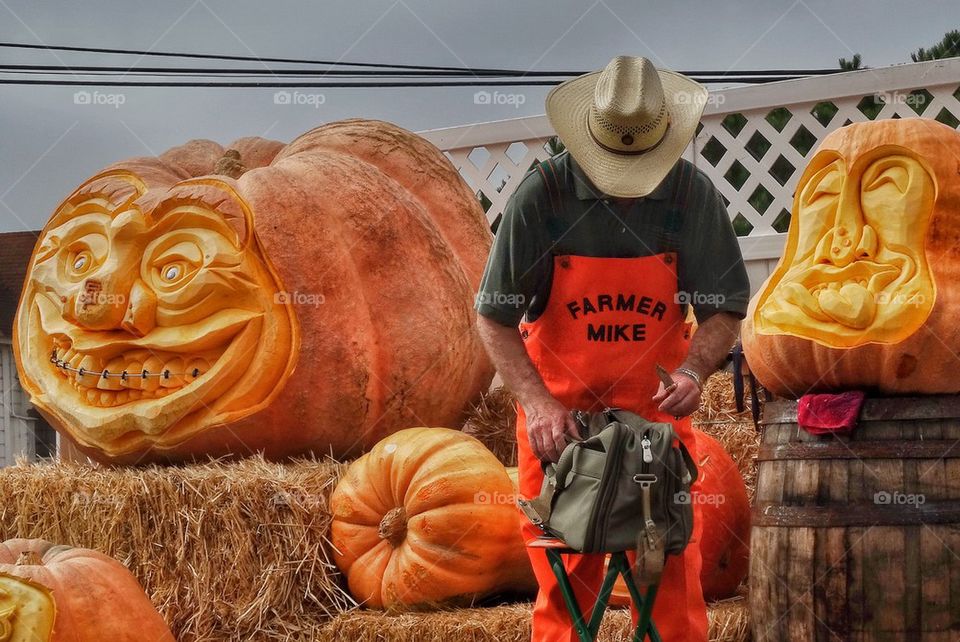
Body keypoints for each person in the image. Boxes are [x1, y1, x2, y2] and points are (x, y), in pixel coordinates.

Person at [474, 56, 749, 642]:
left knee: (670, 578)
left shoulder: (690, 196)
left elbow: (725, 306)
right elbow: (494, 319)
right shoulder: (541, 199)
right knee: (564, 590)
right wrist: (538, 406)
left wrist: (695, 370)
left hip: (655, 430)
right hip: (563, 430)